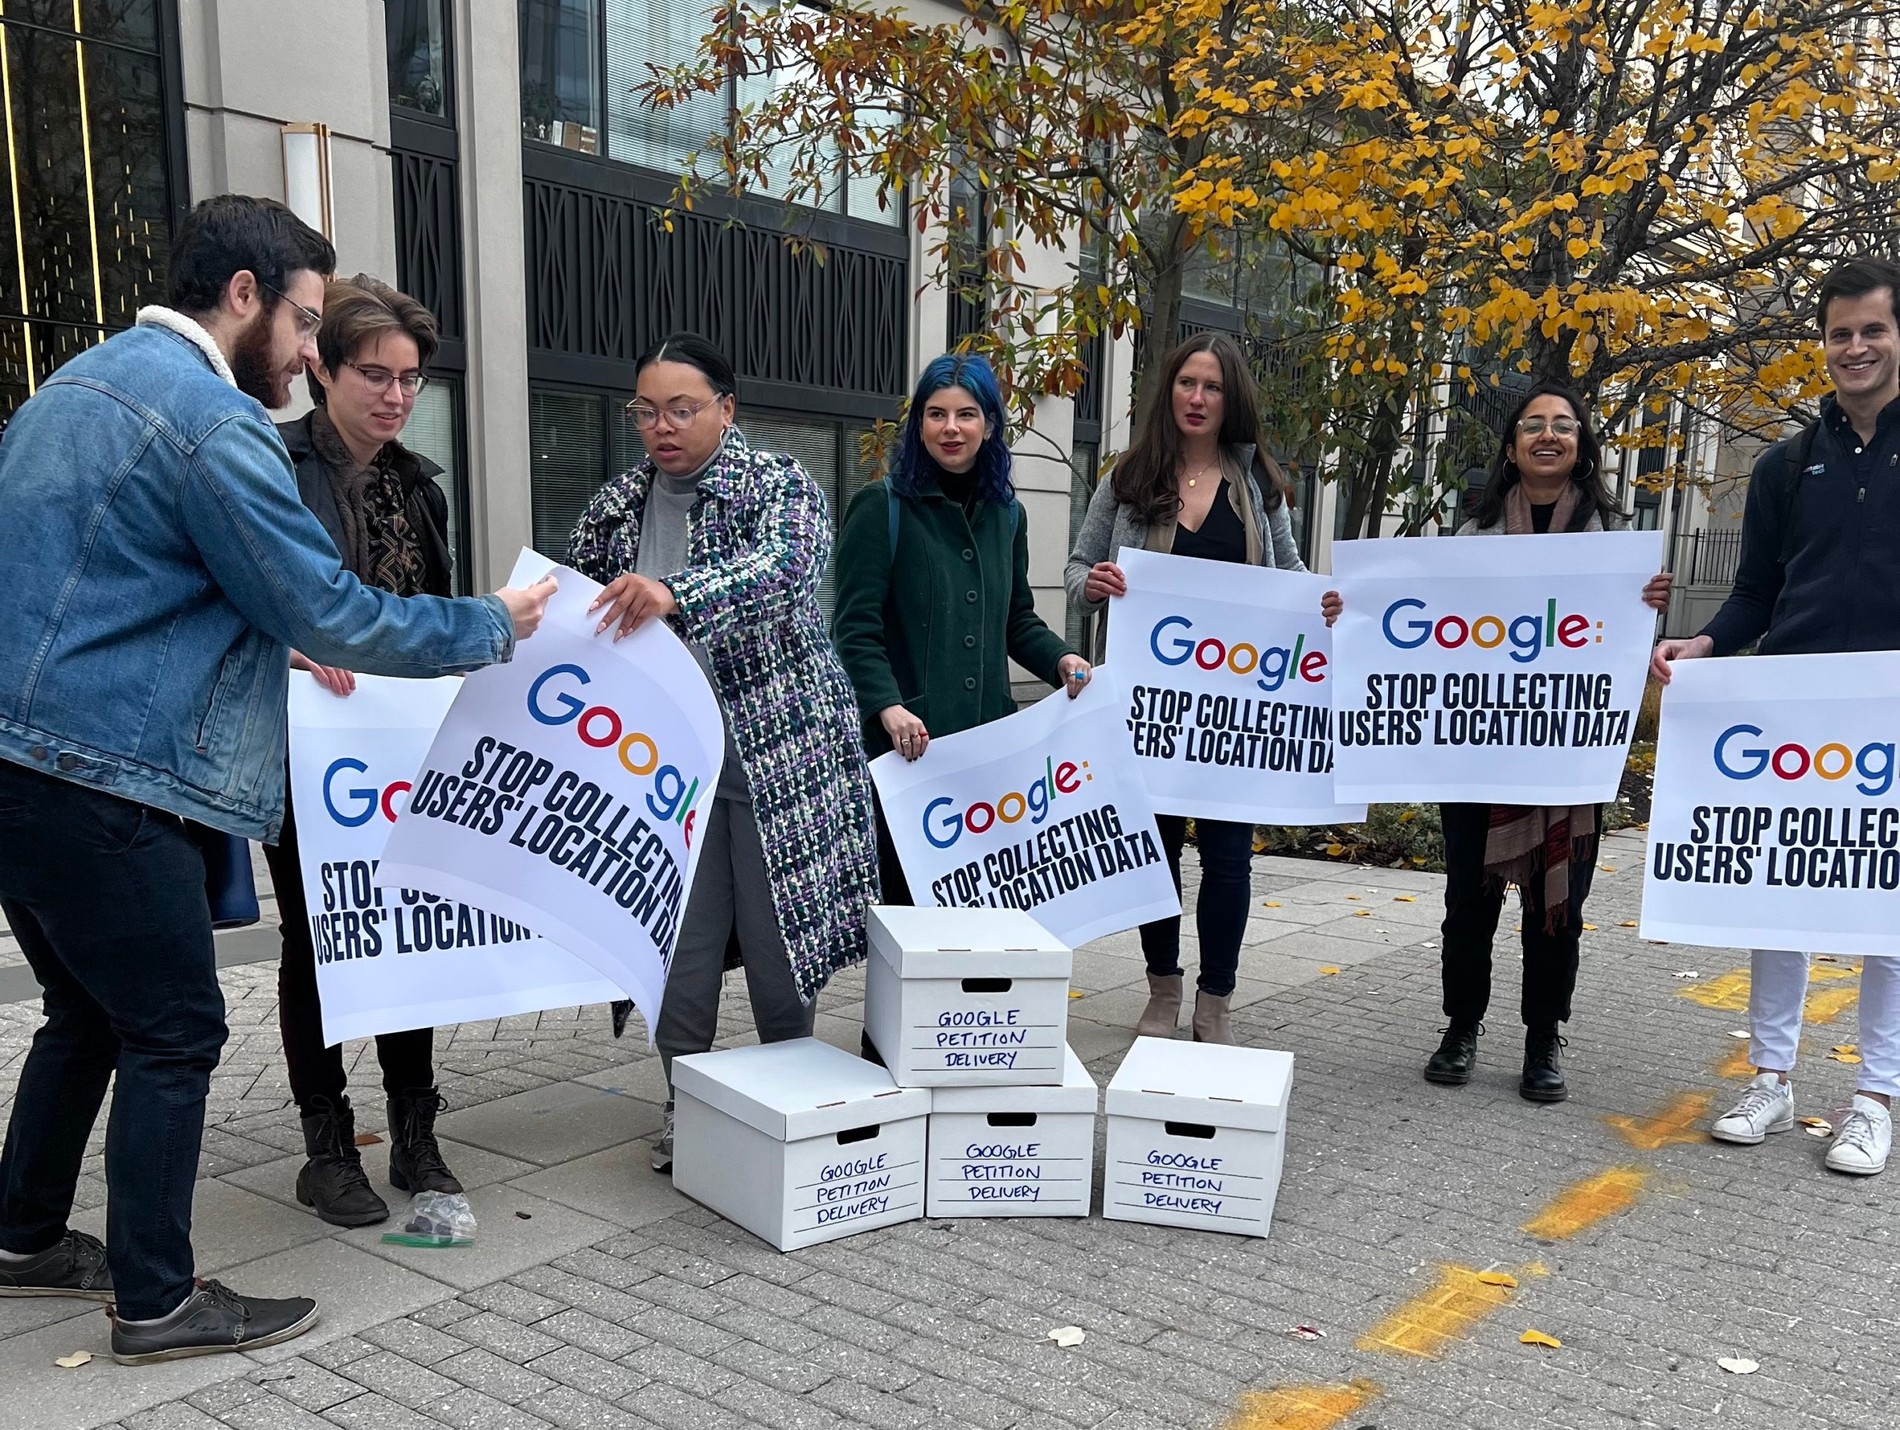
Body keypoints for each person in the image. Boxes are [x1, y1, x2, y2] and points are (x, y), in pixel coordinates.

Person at [0, 195, 556, 1363]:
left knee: (86, 1011)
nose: (309, 351)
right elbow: (327, 605)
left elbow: (127, 581)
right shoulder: (214, 420)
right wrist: (492, 623)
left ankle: (24, 1236)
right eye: (306, 322)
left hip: (20, 764)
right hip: (110, 778)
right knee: (174, 1030)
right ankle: (157, 1301)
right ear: (242, 295)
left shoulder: (70, 388)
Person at [570, 333, 879, 1174]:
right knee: (678, 945)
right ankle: (688, 1106)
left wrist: (675, 592)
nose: (661, 427)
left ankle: (787, 1101)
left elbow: (785, 573)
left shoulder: (779, 484)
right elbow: (578, 611)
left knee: (781, 949)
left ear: (726, 409)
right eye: (646, 412)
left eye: (682, 409)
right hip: (661, 767)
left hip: (776, 757)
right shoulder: (614, 507)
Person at [1321, 383, 1671, 1101]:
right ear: (1511, 447)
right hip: (1475, 752)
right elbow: (1423, 624)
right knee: (1468, 903)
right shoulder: (1472, 536)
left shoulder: (1615, 541)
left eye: (1563, 425)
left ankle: (1543, 1039)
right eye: (1533, 425)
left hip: (1567, 754)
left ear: (1581, 445)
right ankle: (1460, 1027)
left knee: (1557, 911)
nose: (1548, 435)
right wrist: (1352, 609)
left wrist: (1648, 610)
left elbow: (1623, 648)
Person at [1654, 256, 1900, 1175]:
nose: (1854, 347)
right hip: (1794, 709)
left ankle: (1875, 1099)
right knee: (1780, 893)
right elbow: (1755, 591)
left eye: (1872, 329)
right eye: (1840, 333)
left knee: (1889, 911)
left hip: (1892, 715)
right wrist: (1705, 643)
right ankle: (1771, 1078)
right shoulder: (1787, 466)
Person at [263, 275, 465, 1227]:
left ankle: (415, 1132)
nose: (395, 395)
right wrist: (288, 647)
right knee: (319, 937)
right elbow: (233, 597)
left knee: (405, 930)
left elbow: (432, 613)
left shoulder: (417, 484)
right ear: (324, 370)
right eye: (375, 375)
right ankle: (328, 1146)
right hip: (307, 747)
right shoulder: (273, 465)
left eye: (410, 379)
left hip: (401, 747)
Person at [1065, 332, 1307, 1044]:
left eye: (1213, 387)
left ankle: (1216, 1001)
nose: (1198, 398)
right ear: (1168, 389)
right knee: (1156, 851)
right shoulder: (1128, 478)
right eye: (1187, 383)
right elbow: (1077, 569)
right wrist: (1094, 584)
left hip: (1236, 711)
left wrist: (1321, 605)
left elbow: (1290, 573)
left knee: (1230, 857)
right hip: (1152, 711)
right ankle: (1162, 989)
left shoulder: (1258, 485)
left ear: (1232, 400)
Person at [832, 352, 1092, 906]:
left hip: (987, 754)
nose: (951, 428)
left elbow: (1016, 618)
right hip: (907, 753)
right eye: (936, 414)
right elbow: (854, 628)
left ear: (989, 426)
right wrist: (888, 706)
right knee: (907, 915)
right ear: (919, 425)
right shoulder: (881, 507)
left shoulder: (1007, 514)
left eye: (966, 414)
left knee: (980, 913)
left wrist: (1061, 659)